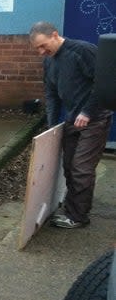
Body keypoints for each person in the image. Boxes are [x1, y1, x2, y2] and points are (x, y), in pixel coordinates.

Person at [29, 21, 112, 228]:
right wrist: (51, 125)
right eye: (37, 49)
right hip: (72, 119)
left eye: (43, 45)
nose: (41, 52)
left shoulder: (83, 51)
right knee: (68, 167)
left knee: (81, 168)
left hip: (95, 118)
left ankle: (78, 217)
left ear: (55, 35)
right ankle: (73, 207)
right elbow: (51, 94)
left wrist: (87, 111)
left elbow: (104, 83)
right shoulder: (49, 61)